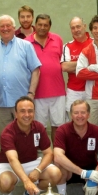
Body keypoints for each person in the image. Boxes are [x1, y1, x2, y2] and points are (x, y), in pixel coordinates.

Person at [0, 96, 62, 195]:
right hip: (8, 165)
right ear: (16, 113)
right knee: (5, 182)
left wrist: (38, 170)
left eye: (30, 111)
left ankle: (32, 193)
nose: (27, 114)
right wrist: (26, 181)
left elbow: (48, 153)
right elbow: (12, 159)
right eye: (22, 111)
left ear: (34, 112)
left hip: (31, 162)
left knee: (56, 174)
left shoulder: (39, 127)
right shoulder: (7, 132)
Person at [0, 15, 41, 133]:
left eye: (8, 25)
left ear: (14, 28)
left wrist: (31, 94)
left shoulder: (26, 46)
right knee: (5, 138)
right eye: (2, 26)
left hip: (22, 103)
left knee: (24, 136)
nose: (5, 28)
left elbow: (36, 70)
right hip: (0, 104)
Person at [54, 100, 98, 195]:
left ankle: (89, 188)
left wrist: (93, 178)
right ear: (71, 115)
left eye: (83, 112)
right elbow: (57, 156)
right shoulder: (63, 130)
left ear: (88, 114)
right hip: (69, 171)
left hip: (90, 170)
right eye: (76, 113)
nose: (79, 116)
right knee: (58, 165)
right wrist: (82, 172)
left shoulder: (97, 131)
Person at [26, 14, 65, 142]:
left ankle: (57, 155)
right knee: (38, 128)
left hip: (58, 92)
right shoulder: (26, 42)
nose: (42, 27)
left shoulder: (57, 39)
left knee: (58, 126)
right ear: (35, 25)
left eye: (45, 25)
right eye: (40, 24)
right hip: (37, 93)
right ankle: (40, 156)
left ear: (49, 26)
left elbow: (62, 61)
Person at [61, 17, 93, 121]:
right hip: (74, 91)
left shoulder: (95, 43)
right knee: (71, 121)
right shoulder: (67, 46)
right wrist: (88, 63)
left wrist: (74, 66)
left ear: (85, 26)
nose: (76, 30)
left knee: (91, 120)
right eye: (73, 28)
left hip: (93, 89)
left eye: (78, 26)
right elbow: (65, 67)